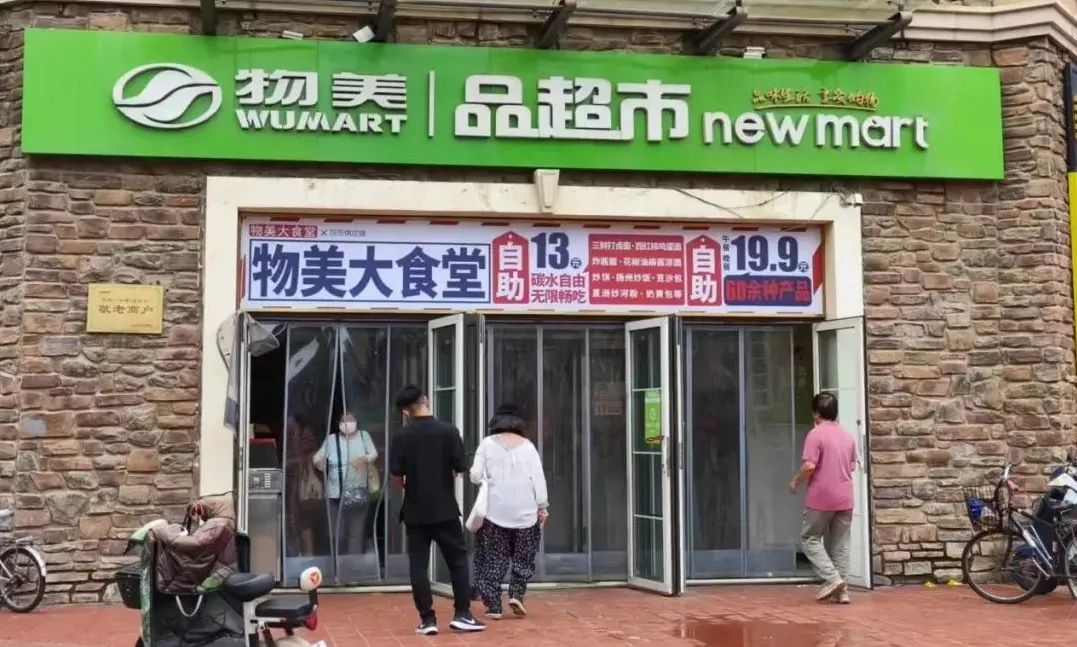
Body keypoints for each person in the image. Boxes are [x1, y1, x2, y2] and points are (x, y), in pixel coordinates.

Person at [389, 385, 484, 635]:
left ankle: (427, 620)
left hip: (415, 511)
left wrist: (411, 484)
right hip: (445, 509)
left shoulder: (402, 436)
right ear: (426, 400)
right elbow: (459, 467)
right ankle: (462, 614)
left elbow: (397, 475)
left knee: (418, 565)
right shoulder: (449, 431)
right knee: (457, 562)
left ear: (405, 411)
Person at [469, 404, 548, 620]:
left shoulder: (487, 444)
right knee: (523, 558)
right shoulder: (529, 447)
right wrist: (542, 507)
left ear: (496, 422)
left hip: (496, 512)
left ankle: (494, 606)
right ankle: (516, 595)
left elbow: (475, 475)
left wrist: (487, 477)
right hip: (526, 513)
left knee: (494, 559)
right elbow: (539, 480)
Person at [789, 392, 858, 604]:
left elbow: (810, 465)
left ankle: (833, 579)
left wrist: (795, 482)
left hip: (821, 498)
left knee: (809, 539)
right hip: (845, 498)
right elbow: (852, 466)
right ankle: (843, 592)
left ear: (816, 413)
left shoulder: (815, 434)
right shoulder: (847, 436)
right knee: (840, 544)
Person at [313, 412, 378, 559]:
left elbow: (373, 454)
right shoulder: (332, 440)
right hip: (336, 495)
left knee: (356, 533)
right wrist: (320, 464)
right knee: (338, 533)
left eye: (350, 419)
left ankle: (352, 565)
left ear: (356, 421)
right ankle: (338, 564)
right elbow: (317, 458)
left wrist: (364, 459)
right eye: (344, 420)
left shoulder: (364, 436)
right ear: (338, 424)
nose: (347, 423)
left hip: (358, 493)